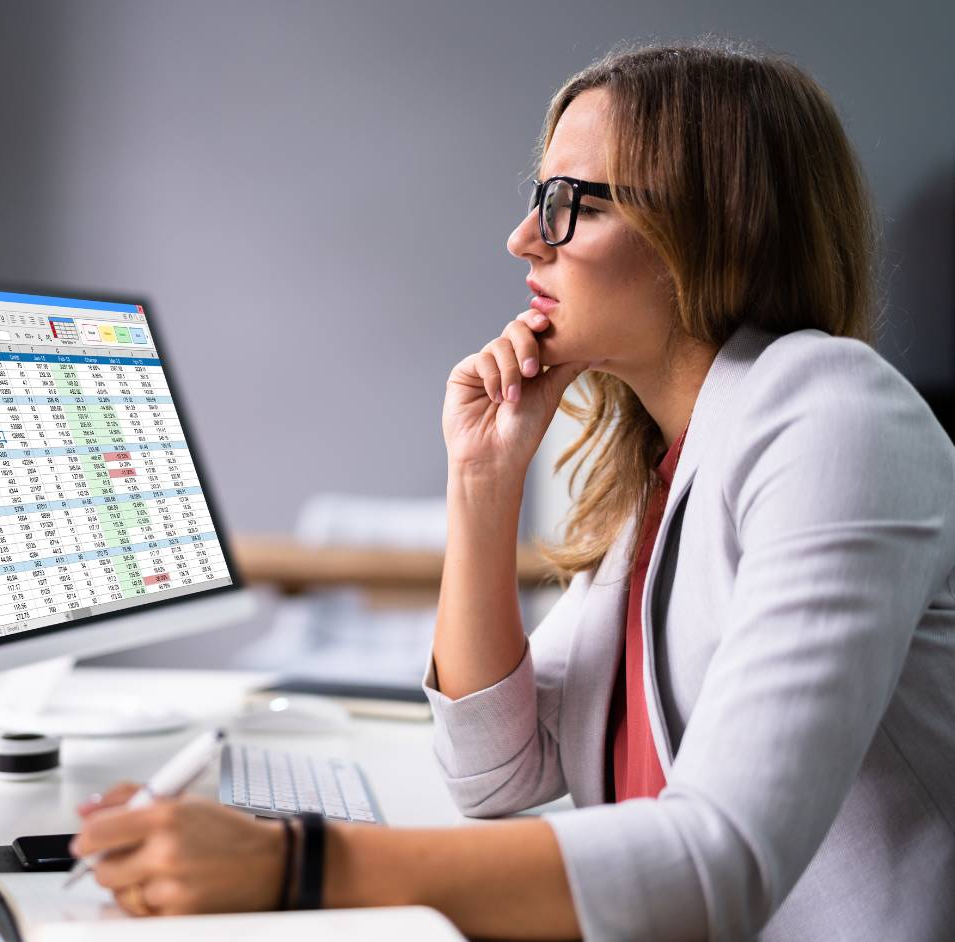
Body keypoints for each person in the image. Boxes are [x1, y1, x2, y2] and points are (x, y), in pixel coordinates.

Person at [68, 40, 955, 939]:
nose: (523, 237)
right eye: (539, 198)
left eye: (570, 204)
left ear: (714, 224)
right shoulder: (667, 471)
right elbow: (492, 772)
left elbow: (715, 863)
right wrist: (482, 481)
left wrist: (290, 864)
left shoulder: (833, 412)